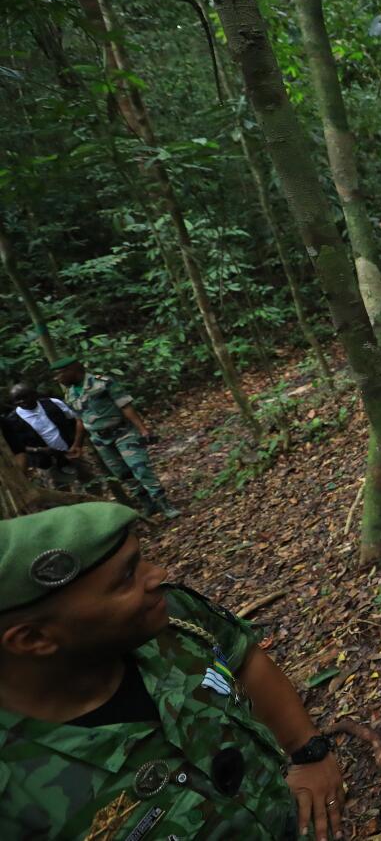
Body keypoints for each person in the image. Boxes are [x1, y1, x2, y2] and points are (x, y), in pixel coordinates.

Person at [0, 502, 346, 839]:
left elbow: (244, 658)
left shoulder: (170, 618)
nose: (158, 575)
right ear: (34, 639)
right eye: (125, 578)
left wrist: (308, 752)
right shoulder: (12, 796)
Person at [52, 356, 180, 518]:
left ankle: (164, 504)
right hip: (100, 440)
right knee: (123, 474)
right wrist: (77, 444)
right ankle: (148, 505)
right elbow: (80, 420)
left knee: (140, 468)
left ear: (71, 370)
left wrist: (143, 430)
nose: (57, 379)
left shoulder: (103, 382)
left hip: (123, 433)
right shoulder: (70, 394)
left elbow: (125, 405)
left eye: (59, 374)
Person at [2, 383, 95, 491]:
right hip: (46, 463)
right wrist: (40, 450)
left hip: (72, 451)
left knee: (90, 482)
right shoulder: (12, 420)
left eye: (25, 397)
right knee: (60, 491)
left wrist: (77, 444)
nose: (22, 401)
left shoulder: (53, 403)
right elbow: (18, 448)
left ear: (34, 394)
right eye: (17, 399)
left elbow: (76, 420)